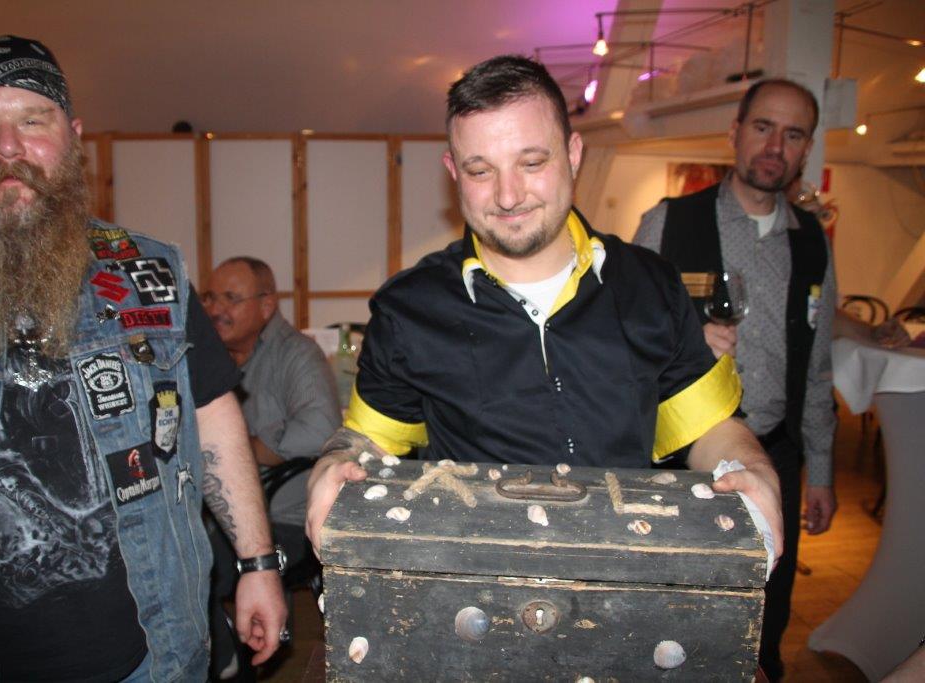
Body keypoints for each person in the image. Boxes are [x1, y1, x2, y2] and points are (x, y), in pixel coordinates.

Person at [305, 54, 783, 587]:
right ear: (453, 172)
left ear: (574, 154)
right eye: (480, 171)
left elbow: (708, 426)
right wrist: (334, 461)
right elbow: (369, 439)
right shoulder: (408, 308)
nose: (508, 196)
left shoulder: (651, 285)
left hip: (626, 579)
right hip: (472, 587)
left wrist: (752, 467)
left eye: (532, 163)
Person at [0, 35, 286, 681]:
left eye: (33, 121)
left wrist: (258, 564)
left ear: (72, 137)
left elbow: (212, 416)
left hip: (149, 651)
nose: (9, 148)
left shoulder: (151, 274)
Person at [632, 78, 837, 681]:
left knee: (766, 619)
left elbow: (817, 364)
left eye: (793, 135)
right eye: (763, 127)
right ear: (735, 133)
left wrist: (822, 473)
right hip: (684, 461)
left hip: (775, 457)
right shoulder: (669, 222)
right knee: (676, 620)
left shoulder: (812, 242)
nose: (775, 146)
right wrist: (679, 343)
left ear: (806, 149)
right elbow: (619, 340)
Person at [203, 257, 339, 673]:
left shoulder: (296, 353)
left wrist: (241, 450)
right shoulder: (208, 356)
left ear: (266, 306)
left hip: (284, 515)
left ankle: (226, 658)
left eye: (231, 298)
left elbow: (320, 428)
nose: (215, 309)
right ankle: (217, 649)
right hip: (214, 511)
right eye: (209, 297)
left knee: (199, 566)